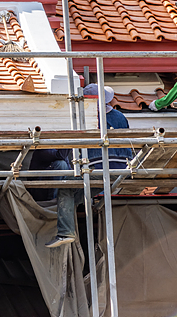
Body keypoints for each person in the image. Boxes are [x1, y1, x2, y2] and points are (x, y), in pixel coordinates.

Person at [45, 84, 133, 248]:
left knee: (66, 186)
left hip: (99, 168)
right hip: (123, 168)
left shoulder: (87, 119)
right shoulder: (120, 116)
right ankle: (67, 225)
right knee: (75, 198)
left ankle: (66, 232)